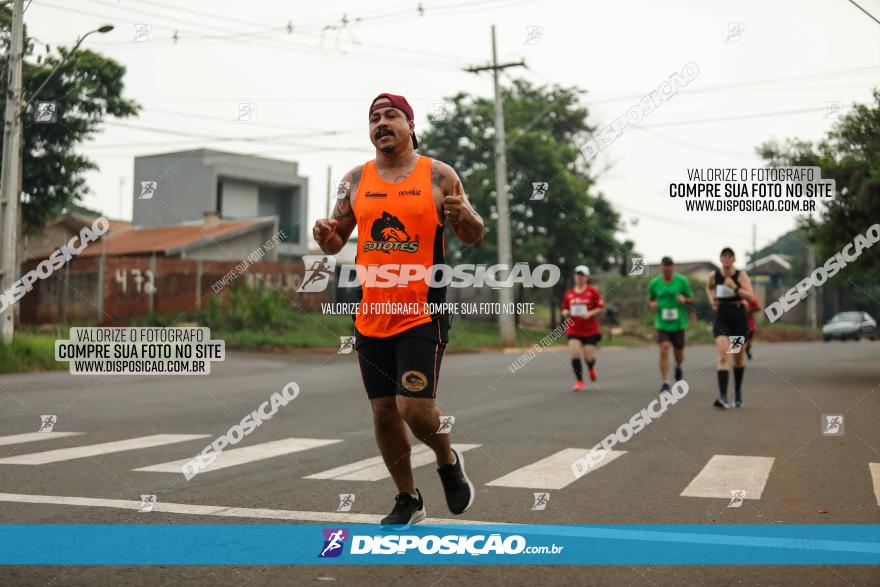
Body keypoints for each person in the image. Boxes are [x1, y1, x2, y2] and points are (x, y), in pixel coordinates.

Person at [312, 93, 484, 526]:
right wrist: (325, 235)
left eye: (391, 116)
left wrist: (464, 213)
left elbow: (474, 235)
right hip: (372, 314)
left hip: (421, 310)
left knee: (414, 406)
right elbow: (336, 240)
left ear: (410, 125)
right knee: (383, 411)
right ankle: (408, 498)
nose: (381, 123)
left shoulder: (438, 175)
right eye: (374, 117)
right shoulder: (354, 180)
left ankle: (446, 459)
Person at [707, 248, 755, 409]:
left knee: (738, 357)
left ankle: (738, 392)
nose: (726, 259)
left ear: (734, 259)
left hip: (738, 316)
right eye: (724, 256)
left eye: (729, 257)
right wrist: (712, 300)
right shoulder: (714, 275)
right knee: (722, 355)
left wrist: (735, 287)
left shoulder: (740, 275)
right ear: (720, 259)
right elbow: (709, 287)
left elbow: (750, 296)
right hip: (722, 316)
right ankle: (722, 397)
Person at [647, 257, 694, 393]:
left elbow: (691, 297)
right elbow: (649, 299)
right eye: (664, 267)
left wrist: (685, 299)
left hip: (679, 323)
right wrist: (652, 304)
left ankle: (678, 366)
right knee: (664, 348)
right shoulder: (655, 283)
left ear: (673, 268)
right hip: (662, 323)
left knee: (678, 353)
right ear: (661, 268)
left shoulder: (682, 281)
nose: (667, 270)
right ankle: (665, 382)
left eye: (669, 267)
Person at [561, 265, 605, 391]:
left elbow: (601, 306)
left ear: (587, 277)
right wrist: (565, 312)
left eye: (582, 275)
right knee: (575, 353)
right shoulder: (569, 294)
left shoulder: (592, 291)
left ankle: (591, 368)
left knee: (589, 357)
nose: (579, 277)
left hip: (590, 330)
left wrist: (590, 313)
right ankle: (579, 381)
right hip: (574, 328)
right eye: (577, 275)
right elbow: (564, 308)